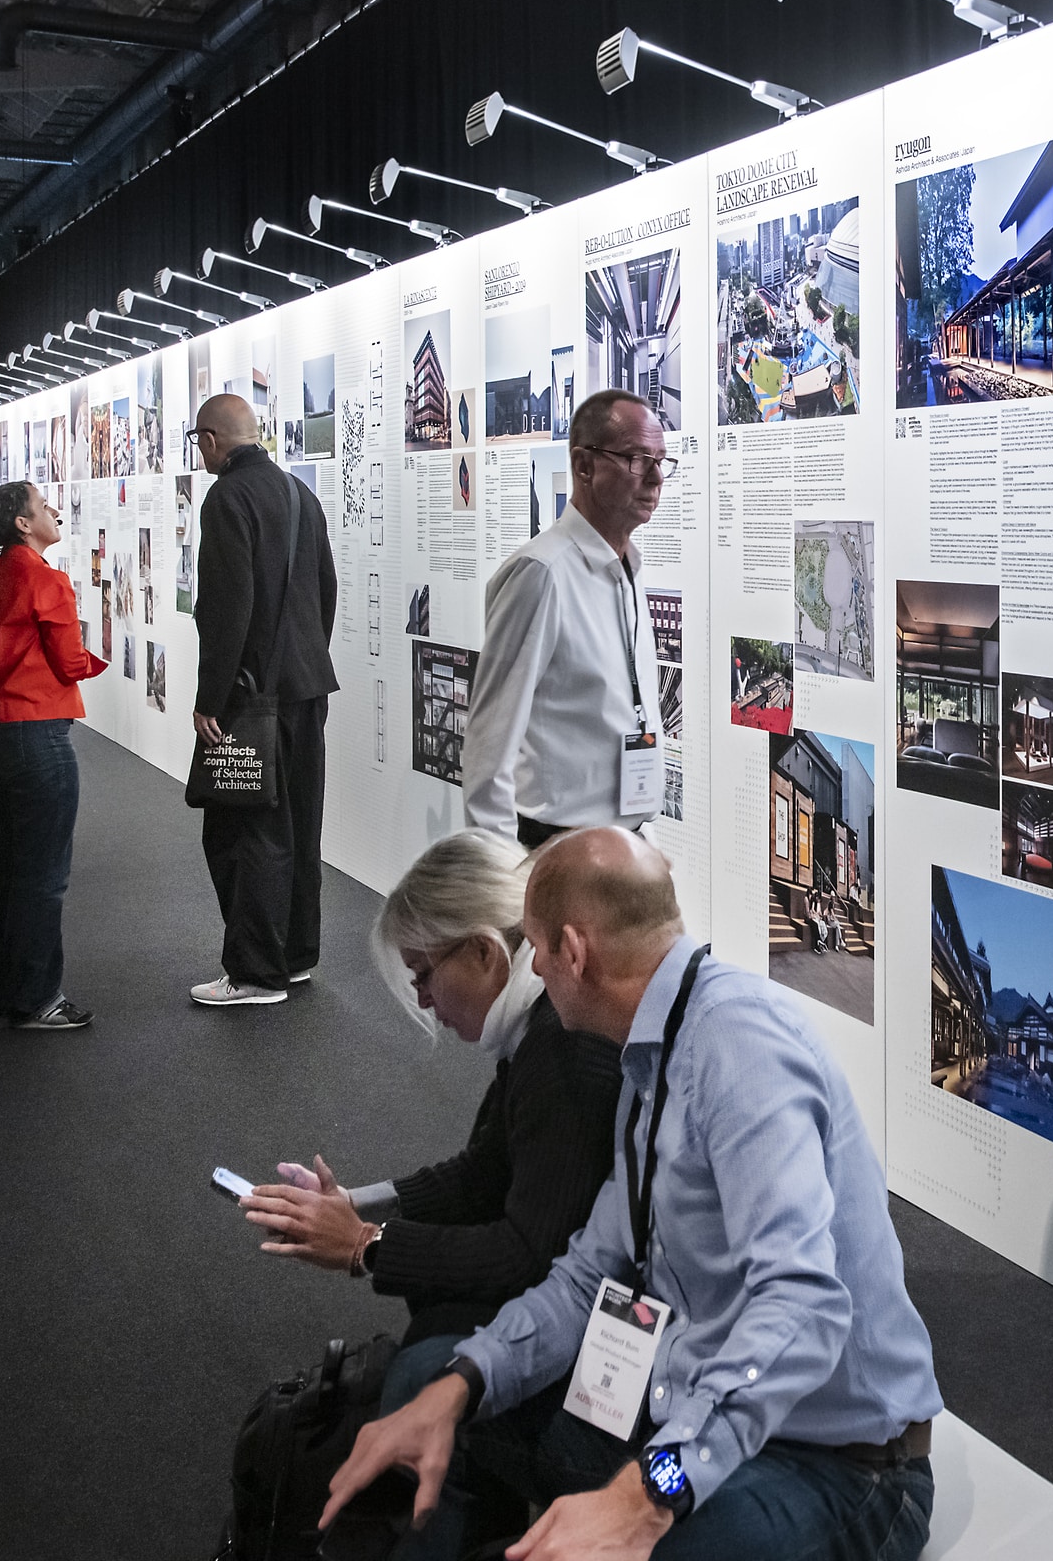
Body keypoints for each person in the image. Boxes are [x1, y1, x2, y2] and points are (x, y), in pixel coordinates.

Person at [323, 828, 941, 1561]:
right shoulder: (656, 1052)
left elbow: (801, 1307)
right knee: (436, 1379)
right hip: (693, 1414)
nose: (535, 971)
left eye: (537, 950)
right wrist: (468, 1379)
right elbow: (591, 1273)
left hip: (839, 1468)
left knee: (664, 1542)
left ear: (574, 953)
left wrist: (647, 1494)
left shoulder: (741, 1051)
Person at [238, 830, 622, 1454]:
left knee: (424, 1371)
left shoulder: (562, 1051)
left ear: (481, 952)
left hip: (616, 1339)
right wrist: (354, 1209)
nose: (421, 998)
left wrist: (365, 1247)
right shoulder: (542, 1026)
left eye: (423, 974)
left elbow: (529, 1255)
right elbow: (486, 1171)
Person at [460, 391, 674, 849]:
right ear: (584, 466)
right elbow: (487, 753)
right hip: (557, 854)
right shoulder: (542, 576)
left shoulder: (628, 571)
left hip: (626, 847)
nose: (656, 478)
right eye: (637, 459)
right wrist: (504, 884)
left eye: (660, 460)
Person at [185, 393, 336, 1008]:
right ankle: (295, 956)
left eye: (199, 442)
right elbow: (325, 590)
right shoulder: (302, 494)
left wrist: (210, 699)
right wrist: (303, 661)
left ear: (211, 441)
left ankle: (255, 972)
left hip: (253, 699)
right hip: (307, 688)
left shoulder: (226, 498)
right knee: (301, 825)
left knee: (246, 830)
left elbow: (228, 608)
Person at [0, 482, 105, 1029]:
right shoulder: (46, 581)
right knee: (43, 874)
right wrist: (95, 661)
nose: (55, 512)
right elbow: (69, 663)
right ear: (23, 523)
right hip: (37, 733)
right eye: (44, 507)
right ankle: (39, 997)